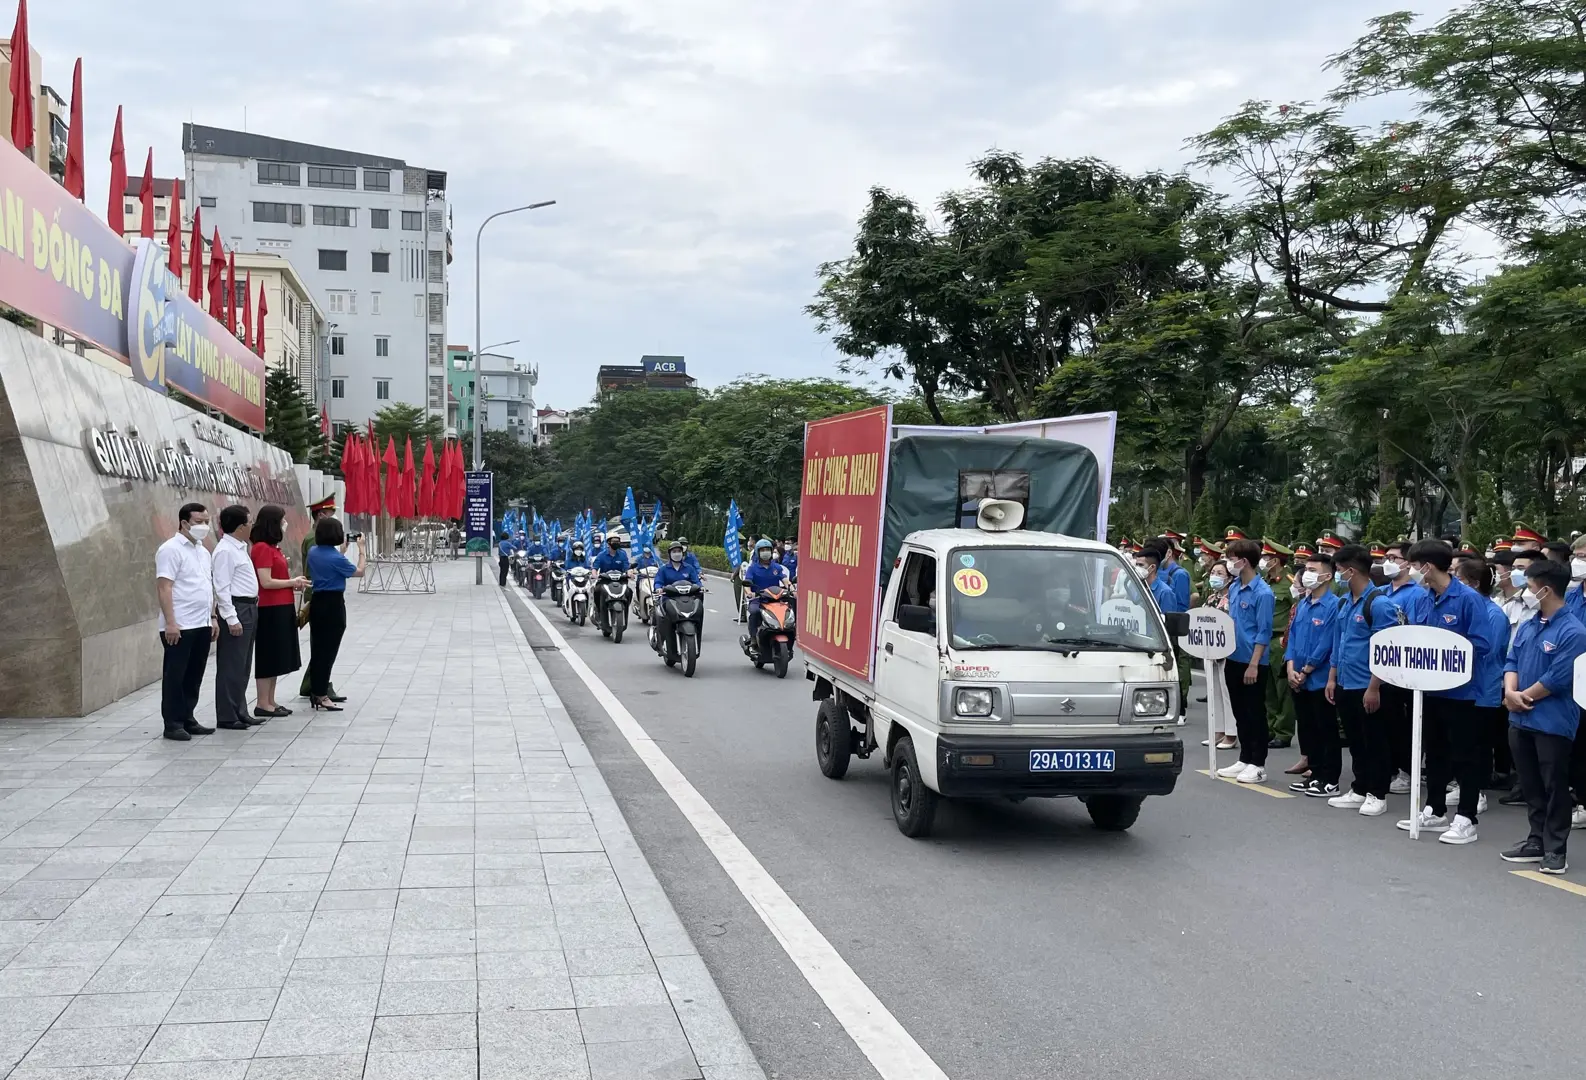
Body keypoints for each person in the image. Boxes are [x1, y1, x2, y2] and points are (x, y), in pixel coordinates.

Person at [1396, 540, 1502, 844]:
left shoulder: (1468, 599)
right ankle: (1435, 809)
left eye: (1416, 565)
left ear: (1428, 566)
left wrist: (1447, 650)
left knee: (1465, 756)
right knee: (1437, 753)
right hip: (1430, 691)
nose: (1414, 571)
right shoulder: (1422, 598)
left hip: (1463, 692)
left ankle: (1467, 817)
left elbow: (1483, 644)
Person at [1501, 558, 1586, 875]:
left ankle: (1555, 849)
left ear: (1547, 589)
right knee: (1531, 785)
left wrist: (1523, 696)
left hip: (1551, 721)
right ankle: (1535, 840)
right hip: (1519, 719)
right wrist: (1511, 692)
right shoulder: (1529, 623)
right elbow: (1512, 659)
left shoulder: (1574, 631)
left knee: (1554, 786)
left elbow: (1559, 678)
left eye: (1530, 587)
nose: (1526, 593)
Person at [1325, 545, 1398, 816]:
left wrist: (1374, 687)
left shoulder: (1379, 604)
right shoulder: (1344, 601)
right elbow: (1338, 641)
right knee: (1356, 740)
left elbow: (1386, 650)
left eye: (1339, 570)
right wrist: (1332, 678)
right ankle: (1359, 787)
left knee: (1374, 740)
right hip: (1346, 681)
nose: (1337, 575)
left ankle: (1377, 793)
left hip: (1369, 685)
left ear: (1351, 570)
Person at [156, 503, 218, 742]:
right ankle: (172, 723)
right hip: (180, 625)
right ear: (184, 523)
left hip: (201, 622)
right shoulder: (170, 550)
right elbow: (164, 587)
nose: (204, 526)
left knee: (194, 674)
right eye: (199, 521)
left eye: (206, 521)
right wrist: (171, 622)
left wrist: (212, 617)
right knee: (176, 675)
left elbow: (207, 586)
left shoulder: (203, 551)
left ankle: (188, 717)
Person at [1215, 539, 1274, 784]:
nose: (1229, 563)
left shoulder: (1263, 593)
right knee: (1239, 711)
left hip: (1253, 661)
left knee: (1254, 713)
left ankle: (1258, 763)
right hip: (1234, 657)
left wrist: (1254, 663)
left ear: (1244, 561)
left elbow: (1264, 631)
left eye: (1231, 558)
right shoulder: (1236, 586)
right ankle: (1244, 757)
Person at [1454, 557, 1512, 799]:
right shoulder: (1465, 609)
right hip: (1463, 687)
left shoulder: (1493, 615)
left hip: (1483, 688)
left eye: (1460, 580)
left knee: (1478, 744)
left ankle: (1477, 793)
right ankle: (1464, 786)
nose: (1455, 585)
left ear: (1475, 584)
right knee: (1462, 743)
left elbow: (1488, 651)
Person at [1380, 539, 1433, 793]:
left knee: (1409, 723)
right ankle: (1390, 766)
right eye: (1386, 558)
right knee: (1388, 720)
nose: (1388, 562)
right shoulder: (1381, 592)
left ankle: (1408, 770)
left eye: (1394, 558)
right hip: (1385, 666)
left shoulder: (1418, 594)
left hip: (1408, 667)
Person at [1287, 553, 1341, 797]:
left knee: (1325, 729)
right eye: (1305, 568)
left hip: (1318, 678)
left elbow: (1327, 643)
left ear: (1327, 576)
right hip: (1298, 677)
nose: (1305, 573)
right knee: (1307, 728)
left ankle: (1330, 779)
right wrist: (1290, 667)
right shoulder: (1303, 604)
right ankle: (1315, 774)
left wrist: (1307, 669)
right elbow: (1293, 637)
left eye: (1311, 569)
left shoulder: (1333, 605)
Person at [250, 504, 307, 720]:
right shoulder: (262, 548)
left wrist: (292, 583)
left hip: (282, 605)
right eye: (282, 520)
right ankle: (262, 702)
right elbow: (265, 581)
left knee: (276, 656)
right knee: (268, 655)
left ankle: (270, 701)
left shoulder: (273, 548)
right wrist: (291, 581)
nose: (285, 524)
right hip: (269, 608)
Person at [306, 516, 366, 712]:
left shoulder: (314, 552)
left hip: (317, 601)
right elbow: (359, 572)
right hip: (333, 603)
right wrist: (362, 550)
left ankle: (316, 691)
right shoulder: (335, 558)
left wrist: (343, 550)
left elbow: (331, 563)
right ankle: (322, 694)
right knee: (328, 650)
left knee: (318, 648)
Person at [211, 505, 260, 731]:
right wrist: (231, 618)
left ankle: (240, 710)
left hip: (249, 606)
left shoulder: (240, 548)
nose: (252, 526)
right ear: (240, 527)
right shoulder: (225, 551)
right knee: (231, 664)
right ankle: (228, 714)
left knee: (243, 664)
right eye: (249, 522)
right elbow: (222, 587)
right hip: (237, 607)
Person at [298, 497, 344, 701]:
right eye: (330, 514)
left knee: (322, 643)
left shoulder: (316, 537)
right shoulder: (314, 539)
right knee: (323, 645)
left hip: (319, 591)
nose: (332, 518)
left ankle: (315, 684)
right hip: (318, 593)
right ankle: (317, 686)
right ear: (321, 515)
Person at [1261, 540, 1299, 751]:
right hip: (1264, 641)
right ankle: (1270, 727)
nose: (1263, 561)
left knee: (1282, 689)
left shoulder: (1290, 583)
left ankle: (1283, 732)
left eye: (1266, 557)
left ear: (1275, 560)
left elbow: (1296, 611)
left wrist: (1286, 639)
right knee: (1267, 689)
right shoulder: (1264, 582)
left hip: (1279, 641)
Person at [1201, 559, 1237, 750]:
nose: (1215, 576)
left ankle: (1232, 733)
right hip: (1210, 651)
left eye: (1220, 573)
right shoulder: (1211, 598)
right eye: (1213, 572)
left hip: (1226, 652)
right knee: (1213, 691)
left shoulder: (1233, 598)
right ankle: (1218, 731)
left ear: (1230, 578)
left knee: (1226, 692)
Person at [741, 539, 791, 648]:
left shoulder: (776, 567)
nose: (765, 552)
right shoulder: (752, 568)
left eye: (767, 550)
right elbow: (747, 584)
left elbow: (785, 580)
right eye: (762, 550)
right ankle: (753, 638)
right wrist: (749, 593)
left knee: (788, 612)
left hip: (775, 599)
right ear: (758, 552)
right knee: (754, 612)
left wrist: (791, 588)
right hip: (758, 599)